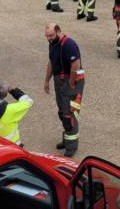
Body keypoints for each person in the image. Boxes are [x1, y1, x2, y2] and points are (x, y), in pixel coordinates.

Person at [43, 23, 84, 157]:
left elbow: (76, 66)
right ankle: (67, 139)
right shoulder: (53, 43)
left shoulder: (69, 45)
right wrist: (46, 80)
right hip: (59, 80)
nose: (49, 39)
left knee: (69, 114)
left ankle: (71, 147)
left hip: (71, 81)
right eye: (47, 36)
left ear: (59, 31)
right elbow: (51, 62)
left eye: (51, 35)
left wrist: (71, 83)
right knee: (62, 111)